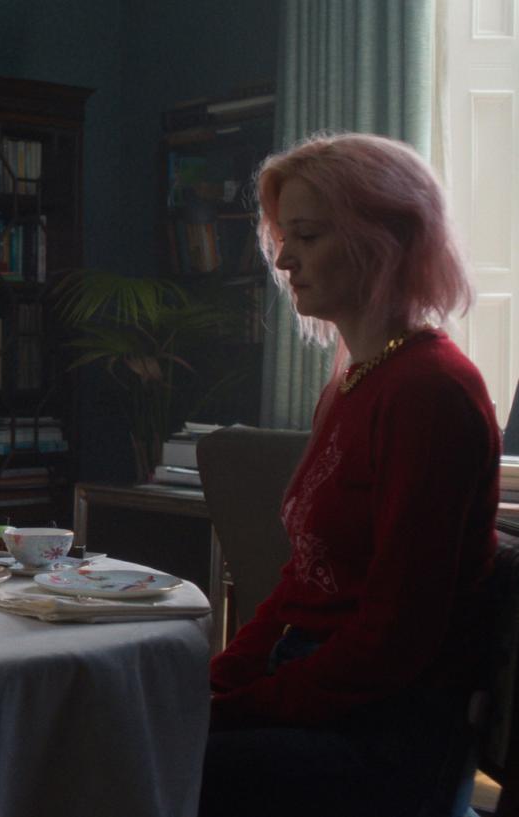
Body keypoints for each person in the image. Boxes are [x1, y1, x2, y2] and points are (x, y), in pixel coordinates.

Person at [199, 133, 500, 816]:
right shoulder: (355, 379)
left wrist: (235, 707)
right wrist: (216, 683)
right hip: (323, 693)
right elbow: (301, 586)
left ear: (385, 241)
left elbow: (393, 640)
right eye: (284, 238)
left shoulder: (430, 392)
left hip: (386, 733)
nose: (284, 259)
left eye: (306, 236)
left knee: (145, 762)